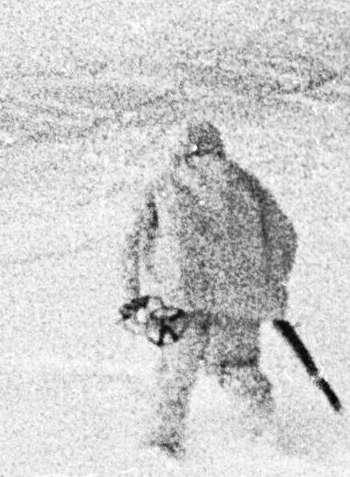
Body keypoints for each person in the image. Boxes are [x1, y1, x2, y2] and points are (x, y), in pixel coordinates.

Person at [121, 121, 298, 457]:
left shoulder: (164, 184)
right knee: (238, 366)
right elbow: (284, 235)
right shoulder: (246, 183)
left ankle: (164, 442)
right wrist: (268, 281)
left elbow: (132, 243)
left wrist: (132, 296)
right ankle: (265, 436)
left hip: (181, 297)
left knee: (175, 371)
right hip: (241, 298)